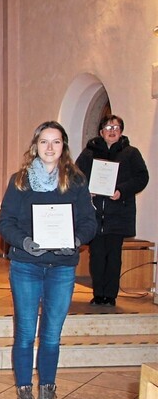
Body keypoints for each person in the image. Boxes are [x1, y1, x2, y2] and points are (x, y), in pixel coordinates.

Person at [0, 121, 97, 399]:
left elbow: (89, 222)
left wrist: (77, 241)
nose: (50, 148)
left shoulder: (76, 183)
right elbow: (4, 223)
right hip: (26, 265)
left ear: (63, 147)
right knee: (26, 334)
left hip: (62, 269)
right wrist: (25, 241)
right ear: (35, 146)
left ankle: (47, 396)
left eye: (56, 142)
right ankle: (25, 396)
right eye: (44, 142)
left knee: (52, 336)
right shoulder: (19, 182)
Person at [75, 115, 149, 307]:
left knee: (114, 256)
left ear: (121, 131)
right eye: (108, 127)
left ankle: (111, 295)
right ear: (101, 131)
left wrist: (122, 191)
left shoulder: (131, 153)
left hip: (118, 213)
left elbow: (142, 177)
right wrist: (86, 191)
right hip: (95, 213)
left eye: (116, 127)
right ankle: (98, 293)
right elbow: (76, 176)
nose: (112, 130)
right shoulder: (88, 154)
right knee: (97, 255)